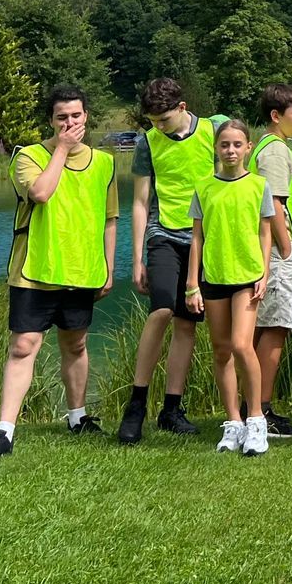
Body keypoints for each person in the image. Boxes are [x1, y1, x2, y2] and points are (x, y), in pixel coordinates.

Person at [0, 85, 116, 461]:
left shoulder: (105, 163)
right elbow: (40, 193)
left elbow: (109, 219)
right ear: (51, 121)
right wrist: (63, 150)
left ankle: (78, 417)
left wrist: (108, 267)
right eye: (61, 117)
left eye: (76, 115)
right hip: (34, 270)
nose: (70, 123)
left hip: (81, 270)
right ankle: (4, 432)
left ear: (86, 116)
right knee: (23, 347)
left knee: (76, 344)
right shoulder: (28, 157)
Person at [118, 77, 220, 445]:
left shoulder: (214, 130)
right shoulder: (148, 142)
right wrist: (136, 258)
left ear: (182, 107)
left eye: (163, 120)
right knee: (160, 310)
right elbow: (141, 201)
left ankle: (172, 409)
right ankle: (136, 404)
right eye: (152, 120)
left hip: (204, 241)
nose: (157, 127)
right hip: (164, 235)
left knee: (187, 323)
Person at [187, 118, 272, 457]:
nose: (231, 150)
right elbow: (197, 237)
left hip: (247, 276)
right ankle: (233, 422)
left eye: (237, 144)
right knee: (221, 350)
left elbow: (266, 232)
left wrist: (264, 273)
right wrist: (193, 283)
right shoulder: (204, 186)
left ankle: (256, 419)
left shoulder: (258, 185)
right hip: (214, 277)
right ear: (216, 149)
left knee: (241, 344)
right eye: (225, 145)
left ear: (248, 147)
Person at [250, 83, 292, 439]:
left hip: (271, 249)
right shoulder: (273, 152)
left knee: (268, 327)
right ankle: (261, 408)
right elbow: (275, 207)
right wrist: (285, 250)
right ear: (276, 116)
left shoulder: (275, 147)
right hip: (276, 251)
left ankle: (254, 404)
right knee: (274, 328)